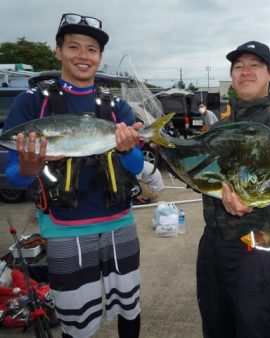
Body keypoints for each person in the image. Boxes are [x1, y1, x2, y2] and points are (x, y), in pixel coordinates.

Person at [4, 13, 143, 338]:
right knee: (75, 318)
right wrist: (28, 166)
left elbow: (136, 167)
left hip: (120, 221)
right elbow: (15, 177)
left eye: (91, 49)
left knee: (130, 306)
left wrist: (127, 149)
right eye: (74, 46)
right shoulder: (31, 102)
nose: (83, 55)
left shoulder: (116, 107)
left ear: (100, 56)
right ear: (58, 51)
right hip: (64, 228)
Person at [196, 41, 270, 338]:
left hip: (257, 242)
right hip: (215, 239)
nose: (245, 71)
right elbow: (212, 171)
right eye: (238, 66)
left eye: (254, 65)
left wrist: (247, 200)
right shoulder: (225, 122)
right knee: (216, 322)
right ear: (232, 75)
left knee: (255, 324)